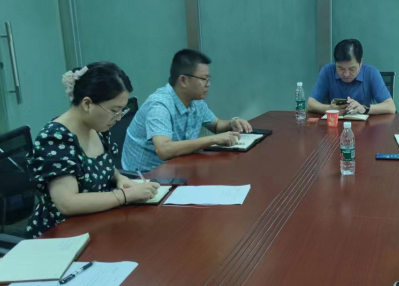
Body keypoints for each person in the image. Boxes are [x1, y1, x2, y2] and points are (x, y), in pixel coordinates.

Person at [27, 62, 160, 238]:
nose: (118, 118)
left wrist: (120, 179)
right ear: (87, 104)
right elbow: (67, 202)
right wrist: (125, 196)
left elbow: (104, 167)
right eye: (114, 110)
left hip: (100, 221)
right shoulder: (55, 138)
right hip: (64, 235)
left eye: (122, 111)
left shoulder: (97, 127)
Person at [122, 49, 252, 172]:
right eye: (204, 79)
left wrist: (232, 123)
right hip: (146, 177)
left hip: (178, 168)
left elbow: (216, 125)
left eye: (209, 79)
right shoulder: (160, 105)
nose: (208, 84)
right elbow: (163, 150)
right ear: (183, 80)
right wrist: (212, 139)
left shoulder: (196, 101)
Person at [306, 39, 396, 116]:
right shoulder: (327, 71)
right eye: (341, 68)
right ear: (335, 63)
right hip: (335, 126)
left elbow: (391, 107)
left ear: (360, 63)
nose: (346, 74)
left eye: (352, 69)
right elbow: (310, 104)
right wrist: (330, 108)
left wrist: (364, 108)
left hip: (365, 128)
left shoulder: (371, 73)